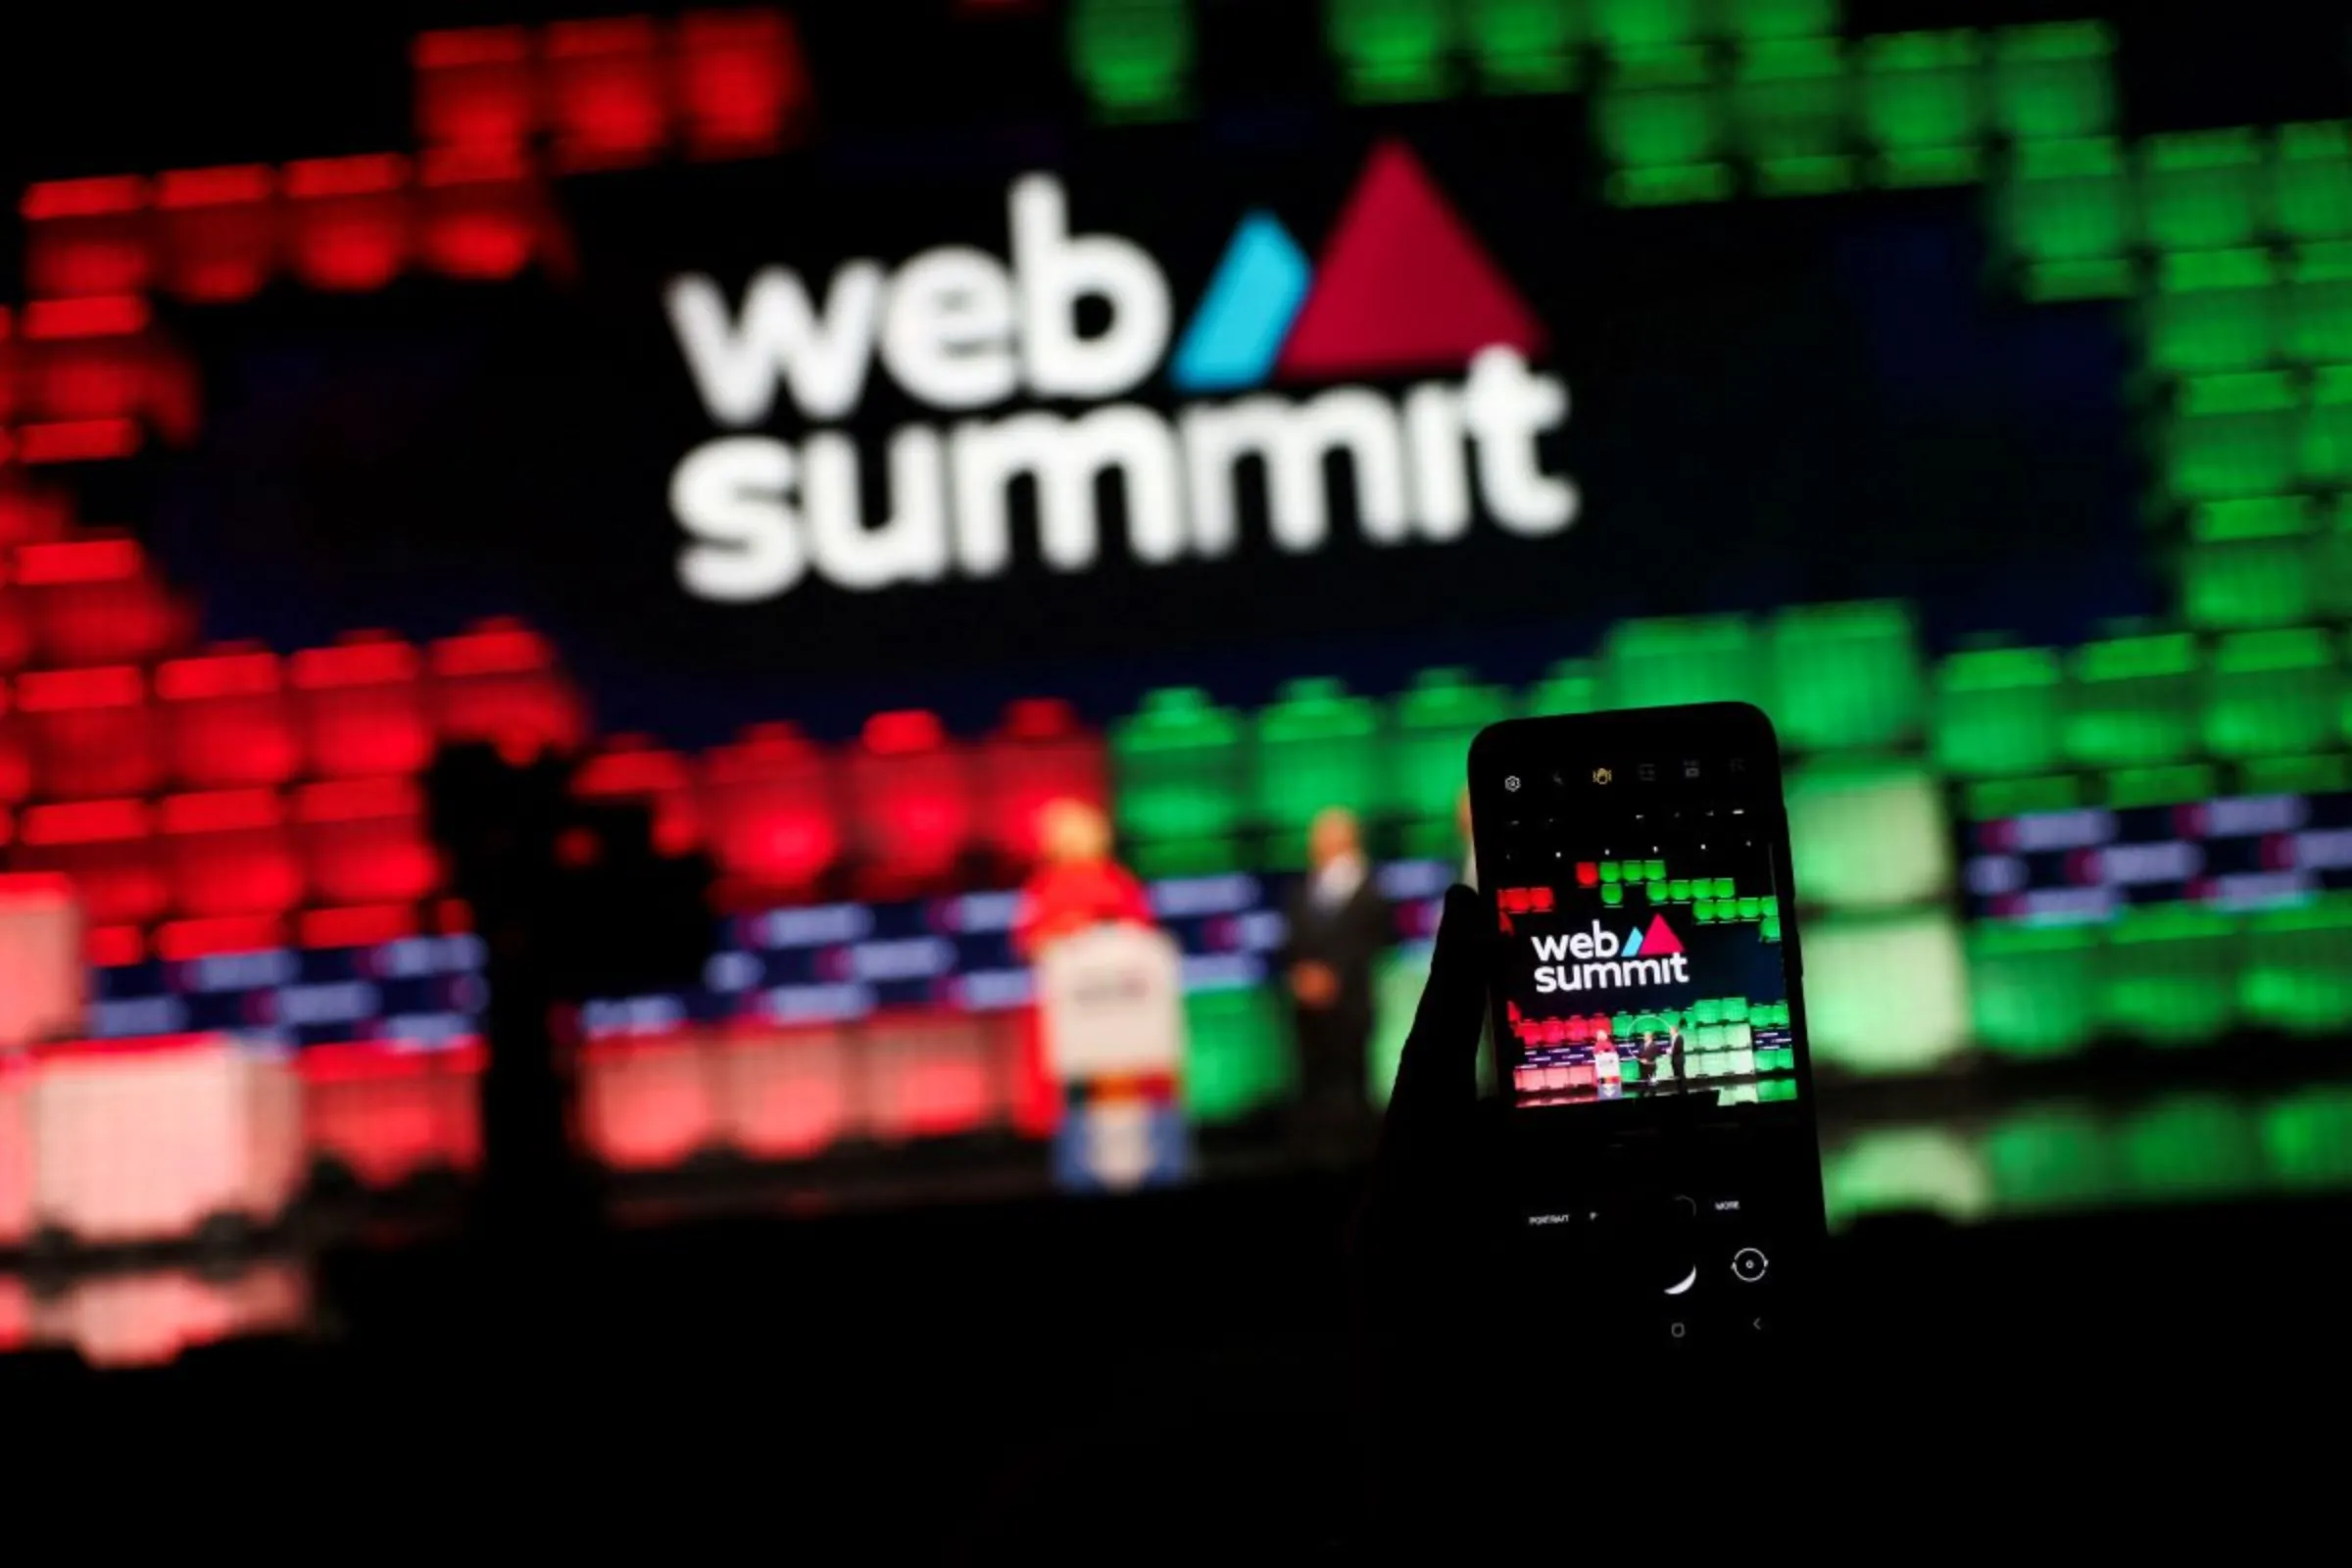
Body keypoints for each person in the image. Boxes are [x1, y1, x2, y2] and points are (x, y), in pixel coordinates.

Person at [1011, 798, 1154, 1137]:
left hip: (1118, 1007)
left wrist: (1096, 932)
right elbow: (1028, 942)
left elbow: (1143, 938)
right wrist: (1062, 933)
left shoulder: (1118, 882)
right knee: (1072, 1100)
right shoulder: (1043, 886)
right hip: (1065, 1010)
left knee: (1119, 1101)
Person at [1282, 807, 1393, 1141]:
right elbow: (1291, 942)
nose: (1314, 842)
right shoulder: (1303, 889)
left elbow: (1373, 941)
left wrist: (1333, 977)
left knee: (1352, 1095)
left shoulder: (1371, 891)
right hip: (1308, 1015)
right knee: (1316, 1097)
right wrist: (1302, 977)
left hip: (1352, 1009)